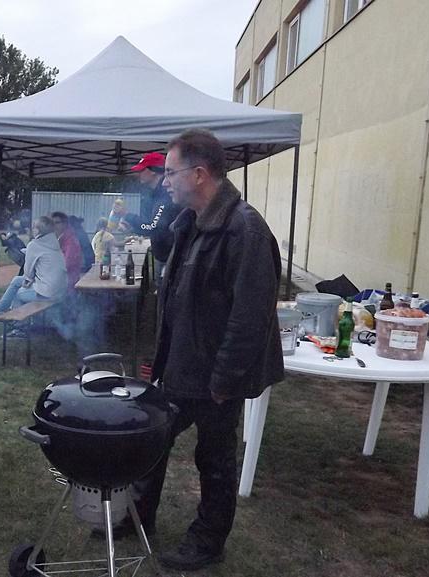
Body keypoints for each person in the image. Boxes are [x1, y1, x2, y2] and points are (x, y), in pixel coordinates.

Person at [131, 129, 284, 571]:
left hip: (216, 373)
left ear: (199, 174)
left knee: (214, 459)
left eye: (171, 172)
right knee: (153, 437)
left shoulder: (245, 230)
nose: (164, 181)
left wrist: (225, 380)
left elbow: (251, 315)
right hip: (183, 364)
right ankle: (138, 516)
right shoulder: (190, 222)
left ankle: (208, 540)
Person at [0, 216, 67, 321]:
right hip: (61, 290)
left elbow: (28, 274)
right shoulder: (54, 242)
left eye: (33, 227)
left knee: (18, 293)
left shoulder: (34, 245)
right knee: (17, 280)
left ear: (38, 230)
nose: (31, 230)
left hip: (49, 293)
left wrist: (27, 282)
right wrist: (28, 280)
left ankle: (16, 325)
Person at [122, 152, 181, 287]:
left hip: (169, 259)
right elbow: (154, 228)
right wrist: (134, 228)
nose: (138, 174)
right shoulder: (156, 195)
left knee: (165, 296)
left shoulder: (165, 195)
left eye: (142, 170)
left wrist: (128, 215)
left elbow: (153, 227)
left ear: (153, 171)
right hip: (164, 257)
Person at [50, 212, 83, 292]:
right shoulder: (59, 239)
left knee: (21, 292)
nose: (54, 226)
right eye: (52, 223)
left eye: (57, 223)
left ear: (65, 224)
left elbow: (66, 265)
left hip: (66, 284)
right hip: (57, 280)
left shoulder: (71, 241)